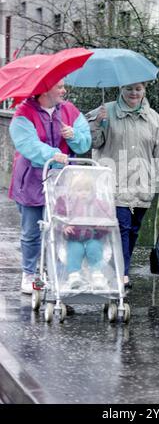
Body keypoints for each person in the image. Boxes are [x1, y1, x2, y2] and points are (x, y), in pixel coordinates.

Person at [88, 82, 159, 288]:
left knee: (133, 230)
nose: (133, 93)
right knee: (121, 229)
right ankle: (121, 274)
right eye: (129, 89)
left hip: (142, 185)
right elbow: (90, 143)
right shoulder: (105, 111)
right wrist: (96, 124)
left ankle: (114, 268)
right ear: (120, 89)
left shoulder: (153, 118)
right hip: (113, 184)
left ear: (144, 90)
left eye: (138, 89)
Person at [9, 79, 92, 294]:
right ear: (45, 90)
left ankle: (60, 272)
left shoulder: (70, 111)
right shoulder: (23, 114)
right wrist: (53, 155)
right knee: (32, 230)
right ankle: (29, 274)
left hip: (63, 180)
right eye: (60, 87)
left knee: (61, 227)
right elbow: (27, 144)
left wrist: (73, 136)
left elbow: (85, 142)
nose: (64, 90)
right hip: (32, 179)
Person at [54, 172, 113, 290]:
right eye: (79, 190)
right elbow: (58, 217)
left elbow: (107, 215)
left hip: (93, 236)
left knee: (95, 249)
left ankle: (97, 275)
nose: (83, 193)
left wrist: (103, 223)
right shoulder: (67, 204)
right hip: (74, 237)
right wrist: (64, 227)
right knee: (74, 251)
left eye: (87, 190)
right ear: (73, 191)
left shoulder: (97, 204)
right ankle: (74, 275)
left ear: (92, 191)